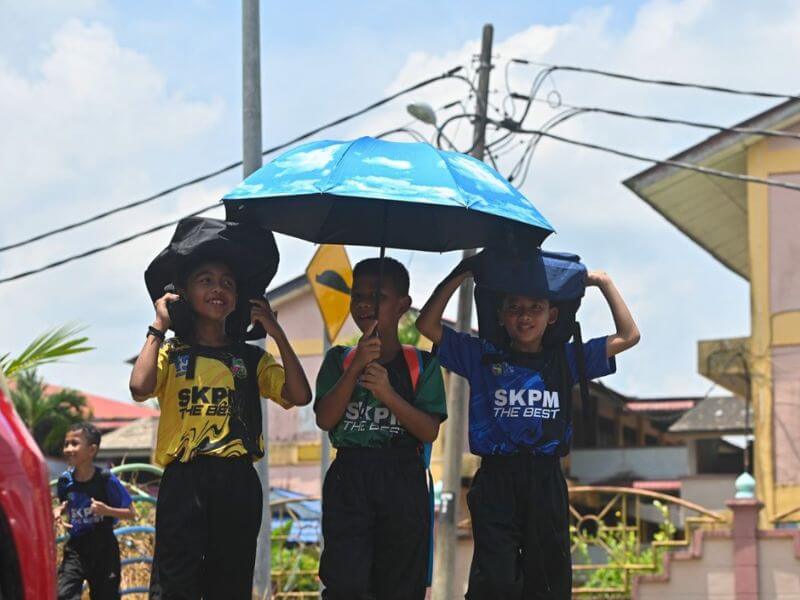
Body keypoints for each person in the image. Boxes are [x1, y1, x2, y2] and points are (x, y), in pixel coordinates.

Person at [416, 258, 640, 599]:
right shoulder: (481, 357)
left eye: (535, 307)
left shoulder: (566, 359)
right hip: (496, 480)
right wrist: (461, 275)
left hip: (546, 479)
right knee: (496, 580)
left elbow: (629, 335)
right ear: (500, 316)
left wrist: (603, 282)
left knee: (547, 581)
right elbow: (427, 324)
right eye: (515, 308)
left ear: (552, 316)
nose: (525, 316)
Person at [130, 253, 312, 599]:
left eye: (227, 282)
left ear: (238, 298)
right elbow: (139, 387)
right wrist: (159, 325)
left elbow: (299, 394)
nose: (218, 289)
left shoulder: (252, 359)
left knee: (229, 583)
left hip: (237, 481)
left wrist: (276, 333)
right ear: (183, 292)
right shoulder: (172, 352)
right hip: (184, 480)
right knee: (174, 582)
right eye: (206, 280)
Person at [314, 257, 447, 600]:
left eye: (378, 296)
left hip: (402, 477)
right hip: (350, 476)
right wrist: (356, 365)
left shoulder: (422, 365)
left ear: (403, 305)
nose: (364, 304)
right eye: (358, 295)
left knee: (401, 583)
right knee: (346, 582)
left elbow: (428, 430)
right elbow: (325, 418)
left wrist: (388, 394)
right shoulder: (338, 360)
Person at [54, 422, 135, 600]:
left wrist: (107, 510)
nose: (68, 449)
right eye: (66, 444)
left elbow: (130, 513)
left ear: (91, 450)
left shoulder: (106, 479)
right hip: (76, 548)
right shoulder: (64, 481)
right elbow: (66, 503)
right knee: (63, 594)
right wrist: (59, 511)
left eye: (74, 443)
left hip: (104, 549)